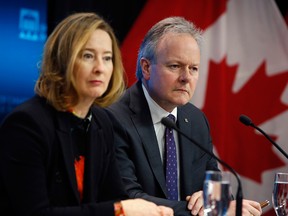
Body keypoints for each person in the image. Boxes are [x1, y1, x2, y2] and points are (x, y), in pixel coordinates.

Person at [0, 12, 174, 216]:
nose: (100, 68)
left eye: (107, 58)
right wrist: (119, 210)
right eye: (88, 56)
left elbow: (114, 196)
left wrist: (154, 211)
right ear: (62, 60)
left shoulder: (102, 122)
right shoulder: (27, 124)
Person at [106, 16, 262, 216]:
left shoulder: (196, 120)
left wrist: (210, 199)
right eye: (175, 66)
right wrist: (207, 210)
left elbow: (216, 189)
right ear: (146, 68)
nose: (186, 77)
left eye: (193, 68)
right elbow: (128, 198)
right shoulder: (115, 119)